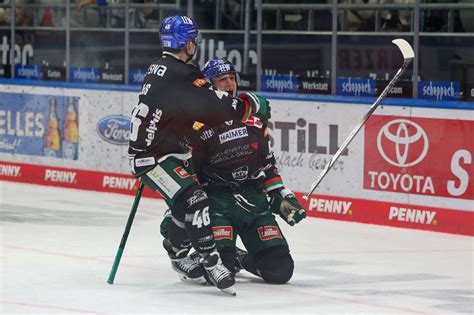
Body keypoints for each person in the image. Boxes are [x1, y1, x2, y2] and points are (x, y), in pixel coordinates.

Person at [127, 15, 270, 295]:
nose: (195, 44)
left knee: (184, 206)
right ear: (186, 42)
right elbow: (214, 108)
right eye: (193, 39)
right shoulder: (183, 73)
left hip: (165, 152)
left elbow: (186, 109)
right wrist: (247, 107)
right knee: (195, 199)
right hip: (153, 159)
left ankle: (179, 256)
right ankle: (212, 262)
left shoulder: (159, 67)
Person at [160, 59, 306, 285]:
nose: (229, 84)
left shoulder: (252, 115)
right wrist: (176, 214)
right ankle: (222, 257)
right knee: (220, 269)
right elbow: (185, 175)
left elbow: (266, 161)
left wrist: (280, 195)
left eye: (232, 78)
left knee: (280, 271)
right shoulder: (194, 124)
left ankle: (241, 257)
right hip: (216, 202)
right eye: (221, 80)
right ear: (210, 86)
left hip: (252, 199)